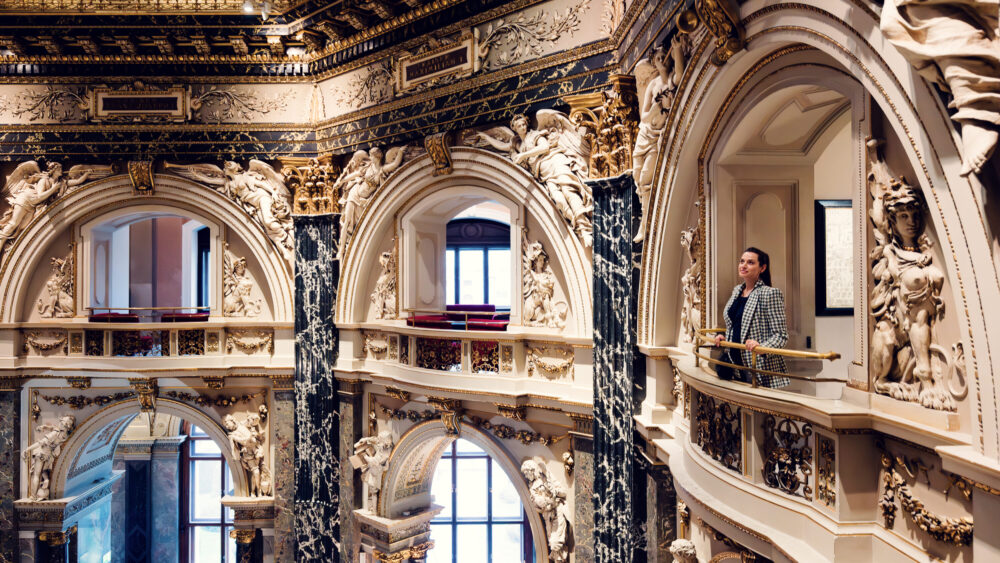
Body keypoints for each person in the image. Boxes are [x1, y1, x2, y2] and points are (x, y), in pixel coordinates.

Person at [713, 247, 790, 388]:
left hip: (759, 370)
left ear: (762, 268)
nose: (743, 265)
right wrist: (724, 336)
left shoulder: (770, 294)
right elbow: (736, 324)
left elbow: (781, 336)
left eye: (750, 262)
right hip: (735, 369)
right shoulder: (737, 290)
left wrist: (761, 347)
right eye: (742, 261)